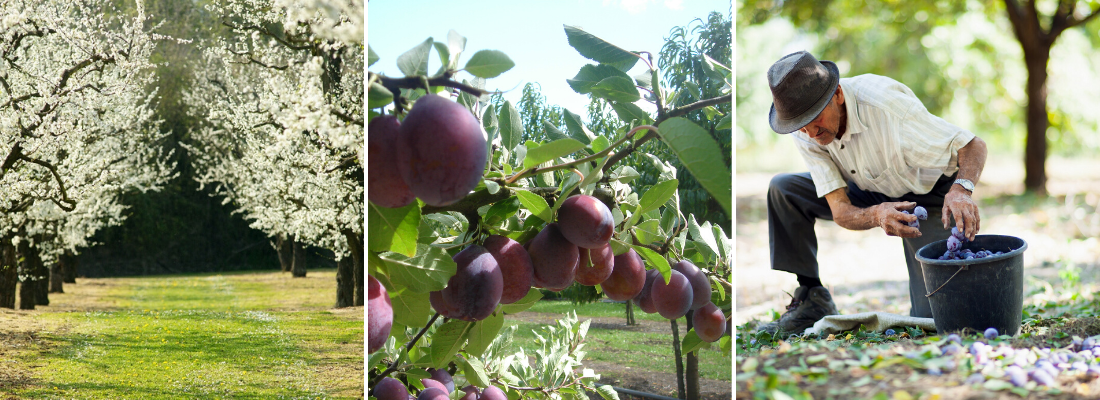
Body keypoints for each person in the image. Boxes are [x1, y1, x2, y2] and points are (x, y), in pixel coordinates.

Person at [759, 51, 987, 334]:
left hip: (927, 192)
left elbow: (973, 145)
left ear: (838, 94)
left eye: (815, 118)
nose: (810, 132)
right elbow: (840, 210)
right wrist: (878, 214)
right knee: (784, 189)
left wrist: (961, 190)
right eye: (800, 124)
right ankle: (812, 297)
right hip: (865, 188)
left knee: (937, 320)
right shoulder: (805, 130)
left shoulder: (890, 110)